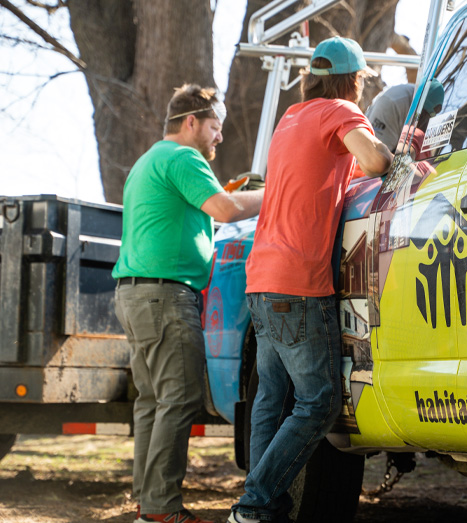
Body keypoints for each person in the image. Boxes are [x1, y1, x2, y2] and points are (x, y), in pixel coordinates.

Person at [230, 37, 394, 523]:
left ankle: (259, 511)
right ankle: (255, 502)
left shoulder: (291, 118)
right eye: (362, 80)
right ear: (353, 79)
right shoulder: (340, 111)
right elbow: (376, 162)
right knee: (320, 403)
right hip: (300, 282)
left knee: (270, 398)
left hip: (261, 277)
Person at [112, 84, 264, 523]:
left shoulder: (148, 160)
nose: (219, 137)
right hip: (165, 295)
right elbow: (226, 208)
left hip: (135, 292)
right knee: (179, 399)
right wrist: (278, 194)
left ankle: (147, 501)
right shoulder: (183, 158)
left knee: (152, 400)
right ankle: (160, 510)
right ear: (191, 122)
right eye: (215, 128)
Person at [364, 79, 444, 152]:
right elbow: (376, 155)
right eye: (423, 114)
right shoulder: (392, 103)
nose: (425, 122)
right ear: (417, 102)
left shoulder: (424, 104)